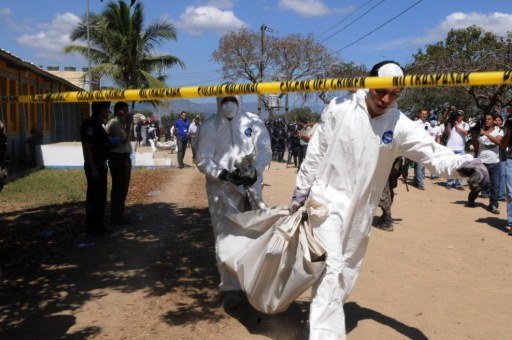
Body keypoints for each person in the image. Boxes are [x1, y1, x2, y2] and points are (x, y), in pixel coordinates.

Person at [288, 61, 488, 339]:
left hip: (361, 211)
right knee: (331, 269)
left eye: (393, 94)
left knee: (346, 270)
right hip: (327, 202)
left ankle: (324, 315)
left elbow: (431, 153)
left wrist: (464, 166)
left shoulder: (399, 125)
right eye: (380, 91)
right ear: (368, 84)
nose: (385, 99)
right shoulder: (340, 108)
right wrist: (301, 190)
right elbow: (317, 150)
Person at [196, 94, 272, 310]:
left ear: (239, 100)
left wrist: (254, 171)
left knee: (253, 235)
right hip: (221, 190)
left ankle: (253, 283)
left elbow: (264, 150)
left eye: (232, 99)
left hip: (250, 189)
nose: (228, 104)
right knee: (224, 236)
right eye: (224, 99)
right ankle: (229, 288)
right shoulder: (209, 126)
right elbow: (203, 159)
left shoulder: (254, 122)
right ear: (218, 102)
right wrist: (223, 175)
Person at [80, 101, 112, 236]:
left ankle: (98, 224)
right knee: (94, 197)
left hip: (100, 164)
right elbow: (87, 148)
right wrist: (93, 168)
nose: (108, 112)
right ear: (100, 110)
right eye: (106, 109)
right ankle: (92, 226)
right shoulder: (90, 125)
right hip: (95, 165)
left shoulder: (99, 124)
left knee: (101, 196)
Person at [466, 112, 503, 214]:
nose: (487, 121)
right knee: (478, 184)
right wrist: (474, 136)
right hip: (481, 162)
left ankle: (493, 205)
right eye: (486, 119)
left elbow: (499, 142)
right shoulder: (479, 131)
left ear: (494, 121)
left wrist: (485, 133)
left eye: (489, 119)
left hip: (495, 162)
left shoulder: (499, 131)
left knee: (495, 185)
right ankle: (471, 199)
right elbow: (476, 147)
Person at [106, 101, 133, 226]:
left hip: (124, 157)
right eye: (124, 110)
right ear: (118, 111)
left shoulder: (120, 123)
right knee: (118, 188)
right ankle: (116, 217)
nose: (127, 113)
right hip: (118, 158)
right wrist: (128, 124)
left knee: (123, 188)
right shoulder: (114, 124)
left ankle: (120, 215)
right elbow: (124, 139)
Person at [445, 109, 470, 190]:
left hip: (460, 148)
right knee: (450, 165)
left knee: (460, 166)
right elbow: (448, 133)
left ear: (462, 116)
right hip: (450, 147)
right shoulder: (451, 123)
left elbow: (466, 133)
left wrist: (458, 127)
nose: (458, 117)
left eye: (460, 115)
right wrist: (449, 123)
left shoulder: (465, 124)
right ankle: (449, 182)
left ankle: (458, 184)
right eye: (457, 115)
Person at [499, 114, 512, 235]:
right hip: (511, 160)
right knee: (511, 193)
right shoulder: (509, 122)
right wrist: (509, 130)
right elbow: (503, 145)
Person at [412, 108, 430, 190]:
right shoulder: (415, 123)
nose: (424, 115)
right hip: (417, 146)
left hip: (425, 147)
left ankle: (418, 182)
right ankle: (419, 183)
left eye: (426, 114)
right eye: (423, 113)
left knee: (421, 165)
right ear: (420, 114)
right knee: (417, 165)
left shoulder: (428, 124)